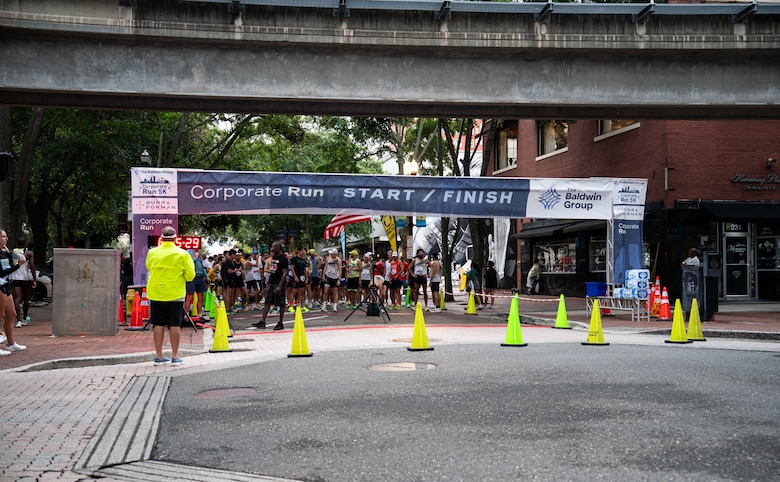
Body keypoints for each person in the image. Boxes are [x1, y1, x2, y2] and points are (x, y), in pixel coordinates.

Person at [145, 226, 195, 366]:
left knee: (158, 324)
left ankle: (159, 355)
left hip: (156, 293)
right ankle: (175, 355)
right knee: (175, 324)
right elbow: (190, 275)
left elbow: (148, 267)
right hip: (175, 293)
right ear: (175, 238)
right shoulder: (183, 254)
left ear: (161, 238)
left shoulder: (152, 252)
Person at [0, 230, 27, 355]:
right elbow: (3, 272)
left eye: (6, 236)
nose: (6, 238)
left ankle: (11, 343)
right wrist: (18, 266)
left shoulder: (4, 252)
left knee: (11, 314)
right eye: (3, 236)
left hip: (5, 285)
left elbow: (9, 265)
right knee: (0, 315)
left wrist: (9, 254)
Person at [252, 241, 288, 330]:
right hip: (272, 282)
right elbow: (272, 271)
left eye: (273, 247)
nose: (272, 249)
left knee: (281, 303)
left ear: (278, 248)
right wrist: (268, 283)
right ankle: (262, 321)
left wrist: (280, 286)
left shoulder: (283, 259)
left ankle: (280, 322)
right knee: (267, 301)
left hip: (280, 283)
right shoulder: (273, 257)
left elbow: (284, 273)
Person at [9, 237, 36, 327]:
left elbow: (11, 263)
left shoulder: (12, 252)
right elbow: (32, 266)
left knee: (17, 299)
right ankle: (24, 318)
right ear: (25, 243)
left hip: (15, 277)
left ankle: (19, 320)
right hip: (26, 278)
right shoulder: (29, 253)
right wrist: (34, 279)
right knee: (26, 300)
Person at [184, 249, 208, 318]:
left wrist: (206, 276)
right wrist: (195, 257)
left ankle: (199, 313)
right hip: (192, 277)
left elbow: (202, 266)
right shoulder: (188, 252)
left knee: (200, 296)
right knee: (189, 296)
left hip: (200, 277)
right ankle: (187, 314)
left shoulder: (199, 254)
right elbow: (189, 263)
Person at [321, 248, 342, 313]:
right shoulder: (328, 258)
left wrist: (339, 279)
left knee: (334, 292)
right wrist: (323, 275)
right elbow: (325, 267)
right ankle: (324, 305)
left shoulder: (338, 260)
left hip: (335, 277)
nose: (330, 254)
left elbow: (340, 269)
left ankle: (335, 305)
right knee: (326, 291)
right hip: (328, 276)